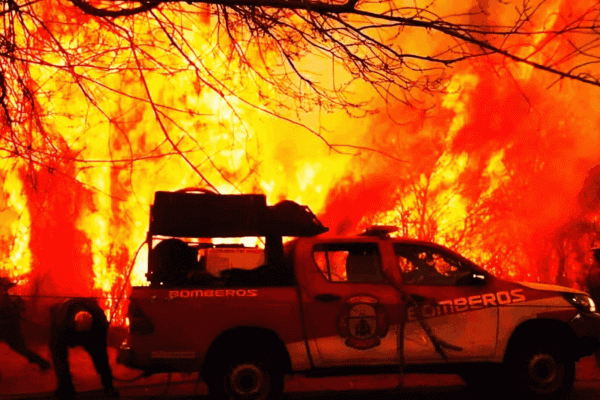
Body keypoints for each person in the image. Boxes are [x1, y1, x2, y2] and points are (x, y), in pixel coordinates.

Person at [49, 297, 118, 400]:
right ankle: (65, 386)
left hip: (92, 335)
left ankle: (108, 385)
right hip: (67, 332)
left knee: (101, 359)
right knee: (59, 357)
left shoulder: (98, 319)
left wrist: (105, 371)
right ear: (75, 323)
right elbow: (58, 350)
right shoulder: (62, 320)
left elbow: (101, 348)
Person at [0, 276, 51, 372]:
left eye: (2, 288)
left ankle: (42, 363)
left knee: (20, 348)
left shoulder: (13, 299)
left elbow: (22, 309)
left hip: (10, 327)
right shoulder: (11, 299)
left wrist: (14, 309)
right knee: (20, 348)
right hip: (6, 326)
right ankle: (41, 362)